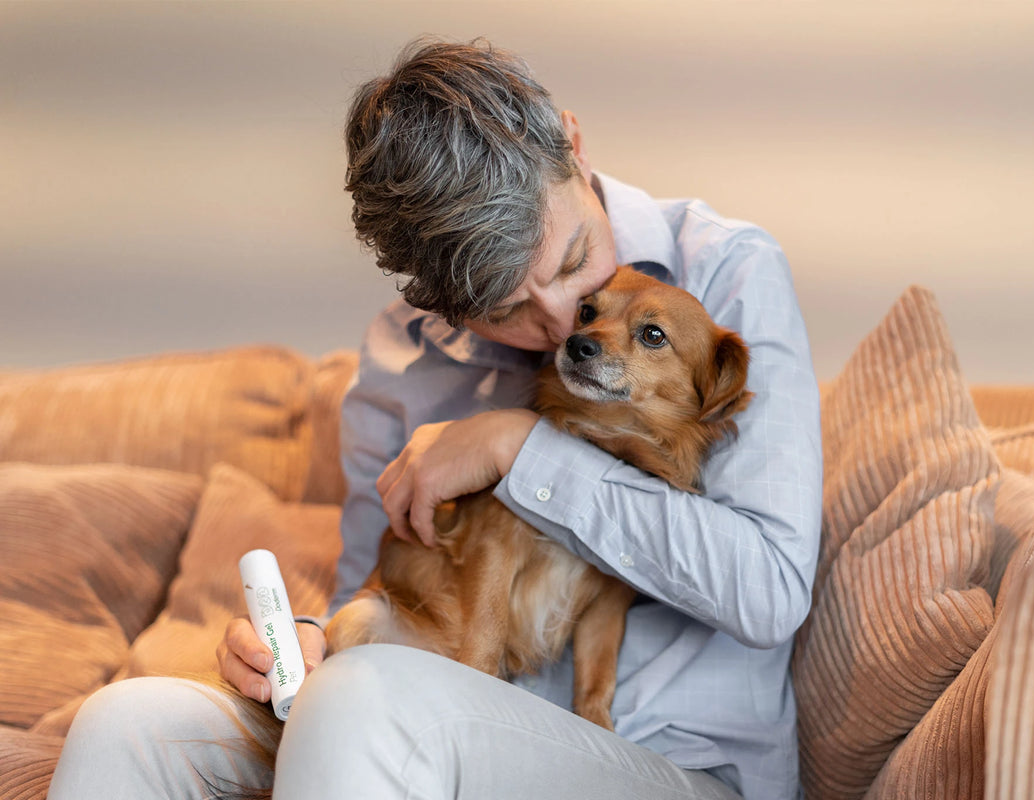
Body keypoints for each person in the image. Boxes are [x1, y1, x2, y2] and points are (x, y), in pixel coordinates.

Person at [48, 37, 821, 800]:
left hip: (663, 759)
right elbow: (379, 583)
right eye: (504, 309)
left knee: (365, 705)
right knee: (126, 722)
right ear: (436, 302)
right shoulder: (400, 356)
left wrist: (523, 449)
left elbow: (771, 590)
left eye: (573, 260)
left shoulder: (731, 271)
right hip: (415, 716)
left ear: (573, 145)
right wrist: (308, 645)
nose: (562, 329)